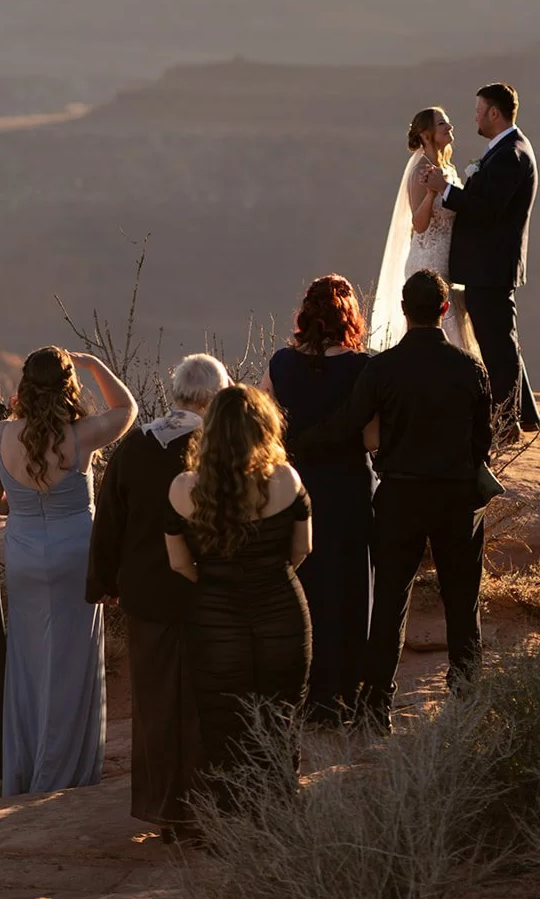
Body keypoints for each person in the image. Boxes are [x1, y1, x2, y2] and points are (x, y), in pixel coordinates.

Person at [298, 270, 492, 734]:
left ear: (404, 311)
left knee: (389, 602)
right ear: (444, 311)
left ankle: (376, 706)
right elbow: (482, 443)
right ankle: (466, 699)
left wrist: (295, 444)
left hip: (400, 496)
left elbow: (348, 424)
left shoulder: (382, 368)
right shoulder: (470, 369)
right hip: (457, 499)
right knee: (462, 603)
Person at [86, 353, 230, 839]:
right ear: (215, 398)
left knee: (155, 702)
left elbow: (110, 519)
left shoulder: (137, 445)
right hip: (208, 595)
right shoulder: (220, 448)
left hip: (146, 594)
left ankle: (164, 809)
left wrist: (103, 582)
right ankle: (205, 810)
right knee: (204, 701)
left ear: (178, 393)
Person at [164, 386, 312, 806]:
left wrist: (216, 582)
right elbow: (302, 549)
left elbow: (178, 564)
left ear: (209, 432)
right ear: (264, 428)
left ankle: (232, 821)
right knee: (280, 719)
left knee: (223, 725)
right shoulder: (286, 479)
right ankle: (281, 814)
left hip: (214, 621)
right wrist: (268, 577)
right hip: (281, 612)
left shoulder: (182, 488)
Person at [1, 347, 137, 796]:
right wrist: (95, 364)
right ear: (68, 387)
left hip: (21, 557)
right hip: (73, 558)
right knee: (72, 662)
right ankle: (63, 770)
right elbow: (127, 408)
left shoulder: (3, 435)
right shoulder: (81, 436)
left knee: (28, 663)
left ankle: (22, 766)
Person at [261, 276, 376, 726]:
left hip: (294, 487)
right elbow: (371, 438)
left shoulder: (281, 364)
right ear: (350, 316)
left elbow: (265, 429)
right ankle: (342, 692)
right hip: (347, 487)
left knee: (301, 584)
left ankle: (300, 694)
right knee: (347, 586)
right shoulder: (364, 368)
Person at [422, 83, 540, 438]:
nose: (473, 116)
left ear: (494, 112)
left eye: (478, 110)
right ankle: (524, 413)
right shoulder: (503, 150)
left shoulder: (510, 154)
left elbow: (489, 208)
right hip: (486, 268)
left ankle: (507, 424)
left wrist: (446, 190)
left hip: (490, 268)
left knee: (497, 347)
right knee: (499, 341)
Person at [370, 106, 478, 354]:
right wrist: (431, 193)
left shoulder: (447, 168)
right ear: (426, 134)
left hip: (447, 258)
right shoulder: (421, 169)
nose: (450, 127)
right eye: (442, 124)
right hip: (428, 258)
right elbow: (418, 225)